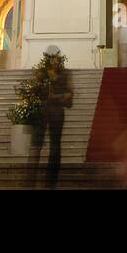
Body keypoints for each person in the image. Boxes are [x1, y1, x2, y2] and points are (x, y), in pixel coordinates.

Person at [38, 51, 73, 188]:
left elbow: (69, 94)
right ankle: (43, 178)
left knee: (55, 146)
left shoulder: (63, 75)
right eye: (53, 60)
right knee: (40, 144)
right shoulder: (43, 75)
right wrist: (61, 96)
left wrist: (58, 96)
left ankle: (51, 179)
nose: (56, 62)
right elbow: (45, 94)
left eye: (57, 60)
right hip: (45, 112)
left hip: (57, 113)